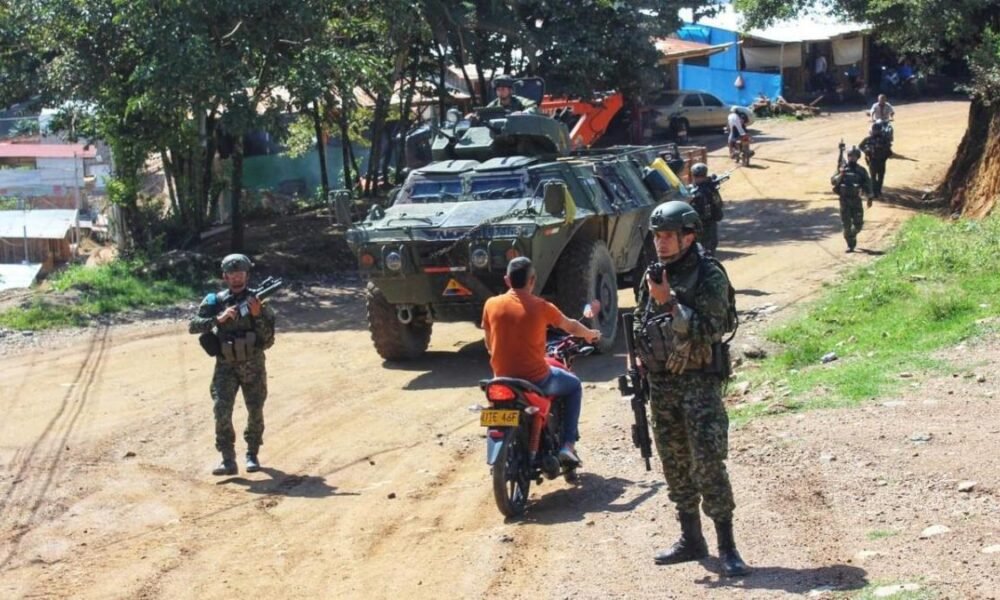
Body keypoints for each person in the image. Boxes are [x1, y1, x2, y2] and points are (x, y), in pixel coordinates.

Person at [633, 201, 748, 577]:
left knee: (707, 463)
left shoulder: (709, 273)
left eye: (668, 236)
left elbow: (713, 328)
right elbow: (639, 321)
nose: (661, 243)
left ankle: (727, 547)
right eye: (656, 235)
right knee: (674, 462)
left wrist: (670, 304)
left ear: (689, 235)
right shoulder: (652, 275)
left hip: (698, 385)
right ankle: (690, 539)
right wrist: (640, 356)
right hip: (663, 384)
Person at [481, 257, 600, 466]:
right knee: (574, 386)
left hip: (500, 378)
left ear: (507, 280)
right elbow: (570, 326)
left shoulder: (491, 304)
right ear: (532, 281)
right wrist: (590, 334)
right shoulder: (541, 306)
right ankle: (568, 446)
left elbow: (489, 344)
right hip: (536, 379)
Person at [189, 254, 276, 475]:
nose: (237, 279)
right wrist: (218, 319)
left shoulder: (259, 302)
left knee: (255, 410)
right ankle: (228, 459)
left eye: (240, 274)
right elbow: (193, 326)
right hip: (225, 366)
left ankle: (252, 454)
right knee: (221, 410)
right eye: (232, 275)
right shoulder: (214, 301)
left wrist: (256, 316)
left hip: (252, 365)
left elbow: (268, 340)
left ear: (247, 275)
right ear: (225, 276)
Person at [831, 146, 874, 252]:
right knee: (846, 225)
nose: (851, 158)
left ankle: (852, 235)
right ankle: (850, 245)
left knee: (858, 225)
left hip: (856, 200)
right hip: (844, 201)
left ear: (857, 157)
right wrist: (841, 174)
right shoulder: (842, 169)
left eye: (854, 156)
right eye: (850, 156)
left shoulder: (861, 171)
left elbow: (868, 184)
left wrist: (870, 198)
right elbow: (833, 181)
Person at [687, 162, 725, 255]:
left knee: (707, 253)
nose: (697, 178)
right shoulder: (706, 187)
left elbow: (718, 204)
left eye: (699, 176)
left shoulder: (705, 191)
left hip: (706, 226)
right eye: (697, 176)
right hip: (704, 226)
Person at [859, 120, 893, 199]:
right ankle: (875, 191)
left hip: (881, 161)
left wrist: (884, 155)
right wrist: (866, 151)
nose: (876, 131)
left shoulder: (884, 139)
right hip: (872, 161)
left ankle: (878, 190)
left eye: (877, 130)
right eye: (874, 130)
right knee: (873, 177)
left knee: (881, 177)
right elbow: (860, 146)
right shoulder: (868, 139)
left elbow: (889, 151)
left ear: (880, 130)